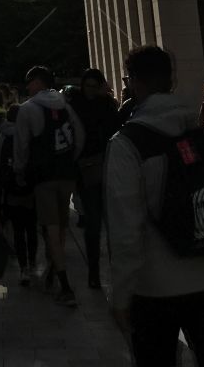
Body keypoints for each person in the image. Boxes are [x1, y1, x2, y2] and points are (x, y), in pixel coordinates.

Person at [104, 45, 204, 367]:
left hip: (155, 286)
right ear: (171, 80)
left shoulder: (126, 143)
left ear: (134, 82)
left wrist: (120, 295)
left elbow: (126, 228)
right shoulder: (202, 135)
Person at [13, 65, 84, 307]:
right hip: (66, 172)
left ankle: (65, 284)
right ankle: (54, 267)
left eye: (29, 81)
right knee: (62, 225)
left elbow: (21, 146)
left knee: (51, 227)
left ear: (38, 82)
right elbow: (79, 135)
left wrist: (19, 171)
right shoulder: (65, 104)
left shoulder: (28, 109)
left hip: (43, 176)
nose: (27, 86)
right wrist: (71, 159)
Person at [67, 67, 120, 289]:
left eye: (93, 86)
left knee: (102, 223)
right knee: (94, 223)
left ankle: (101, 270)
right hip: (90, 168)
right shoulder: (89, 106)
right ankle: (94, 271)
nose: (89, 90)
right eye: (87, 86)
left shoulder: (101, 106)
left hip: (100, 165)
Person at [0, 101, 37, 285]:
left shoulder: (2, 136)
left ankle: (23, 267)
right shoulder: (31, 134)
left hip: (11, 188)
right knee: (32, 228)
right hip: (30, 187)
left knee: (18, 230)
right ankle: (33, 261)